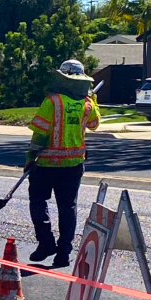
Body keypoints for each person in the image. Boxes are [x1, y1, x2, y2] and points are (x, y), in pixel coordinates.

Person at [26, 59, 101, 268]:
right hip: (74, 165)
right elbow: (94, 124)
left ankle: (46, 242)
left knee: (38, 202)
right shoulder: (86, 104)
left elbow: (39, 134)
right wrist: (94, 102)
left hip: (47, 164)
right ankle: (64, 253)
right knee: (68, 208)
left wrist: (30, 158)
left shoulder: (52, 101)